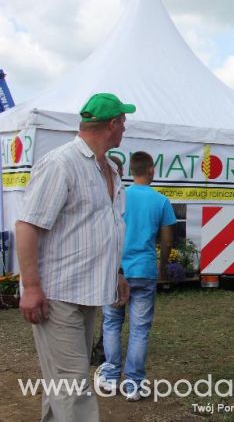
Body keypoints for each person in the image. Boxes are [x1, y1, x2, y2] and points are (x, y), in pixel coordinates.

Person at [16, 92, 134, 421]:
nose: (125, 128)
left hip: (88, 292)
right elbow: (27, 226)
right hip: (57, 295)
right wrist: (32, 287)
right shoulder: (61, 164)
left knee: (63, 386)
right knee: (73, 387)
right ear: (112, 125)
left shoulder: (109, 168)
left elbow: (106, 227)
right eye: (123, 122)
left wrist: (117, 273)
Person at [99, 151, 176, 401]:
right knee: (139, 329)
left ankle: (110, 377)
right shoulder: (161, 201)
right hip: (144, 270)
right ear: (151, 170)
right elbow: (166, 241)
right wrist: (163, 267)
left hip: (115, 270)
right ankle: (134, 384)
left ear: (132, 170)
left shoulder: (119, 197)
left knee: (111, 322)